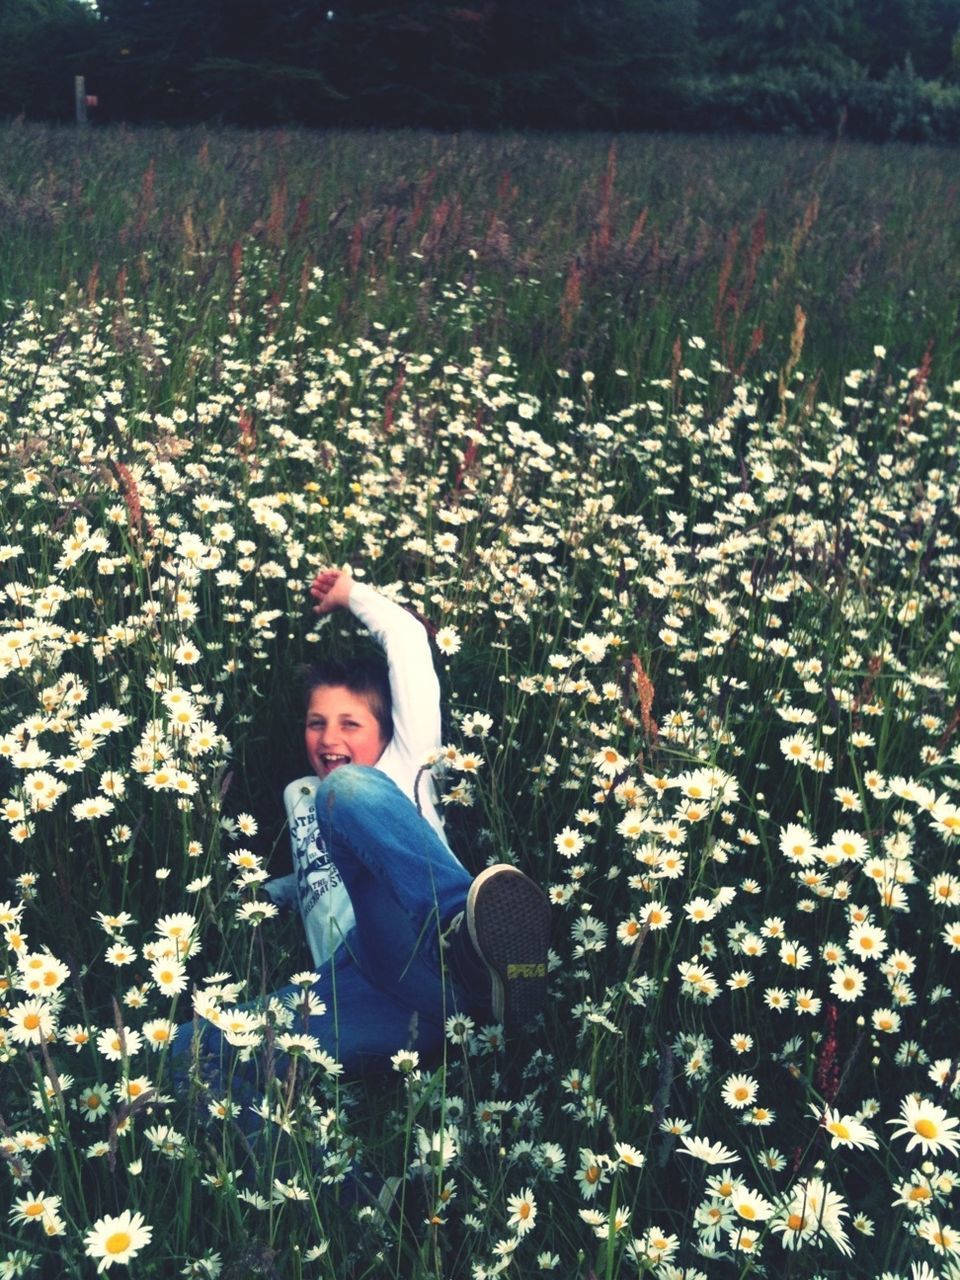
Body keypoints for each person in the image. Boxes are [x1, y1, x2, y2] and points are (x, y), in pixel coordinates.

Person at [173, 568, 550, 1106]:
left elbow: (408, 640)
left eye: (350, 724)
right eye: (316, 722)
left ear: (387, 729)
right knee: (190, 1052)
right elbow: (319, 879)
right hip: (361, 991)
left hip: (426, 950)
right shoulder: (301, 794)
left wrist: (351, 595)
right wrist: (265, 893)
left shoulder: (407, 766)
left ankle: (467, 936)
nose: (329, 739)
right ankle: (341, 1192)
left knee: (345, 791)